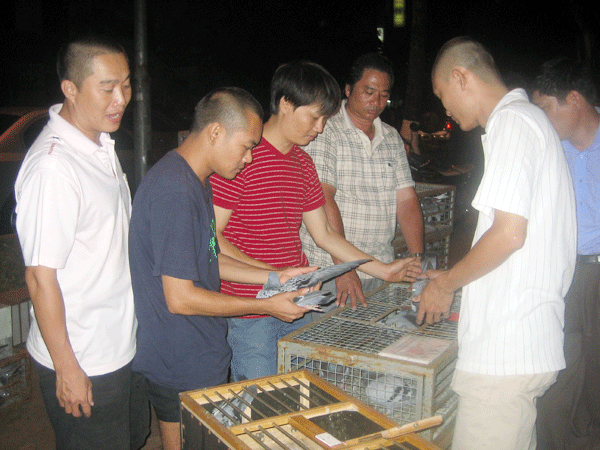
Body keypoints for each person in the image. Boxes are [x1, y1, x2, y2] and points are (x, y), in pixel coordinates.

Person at [129, 87, 320, 450]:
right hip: (179, 357)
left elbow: (209, 258)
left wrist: (275, 276)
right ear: (215, 132)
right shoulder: (175, 190)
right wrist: (266, 305)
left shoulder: (196, 181)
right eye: (246, 146)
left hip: (201, 349)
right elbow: (180, 298)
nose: (249, 159)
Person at [210, 61, 419, 382]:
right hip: (253, 310)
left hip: (301, 300)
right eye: (314, 117)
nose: (319, 128)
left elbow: (324, 233)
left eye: (325, 119)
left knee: (304, 391)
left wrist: (383, 270)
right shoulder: (241, 156)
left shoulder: (303, 163)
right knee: (262, 400)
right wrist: (273, 276)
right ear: (285, 104)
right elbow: (212, 237)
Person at [415, 37, 577, 450]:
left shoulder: (513, 122)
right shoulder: (526, 122)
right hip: (519, 346)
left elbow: (509, 234)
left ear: (460, 77)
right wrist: (455, 275)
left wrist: (446, 283)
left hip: (505, 351)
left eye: (442, 95)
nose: (445, 109)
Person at [14, 36, 149, 449]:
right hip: (83, 358)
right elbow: (39, 277)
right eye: (107, 88)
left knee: (132, 438)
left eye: (126, 85)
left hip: (118, 345)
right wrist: (67, 368)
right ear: (70, 89)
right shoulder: (54, 168)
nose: (121, 99)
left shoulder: (99, 144)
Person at [299, 53, 424, 308]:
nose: (376, 102)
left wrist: (417, 259)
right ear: (348, 90)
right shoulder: (325, 130)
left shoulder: (391, 138)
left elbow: (407, 201)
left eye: (383, 95)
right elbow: (323, 198)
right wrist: (344, 269)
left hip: (382, 267)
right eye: (369, 92)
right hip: (330, 271)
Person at [532, 57, 600, 449]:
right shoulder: (549, 150)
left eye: (545, 108)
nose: (540, 119)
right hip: (564, 273)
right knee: (557, 369)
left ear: (573, 99)